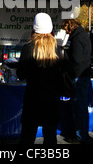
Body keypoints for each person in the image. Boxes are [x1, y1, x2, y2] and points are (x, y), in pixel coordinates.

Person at [17, 13, 68, 144]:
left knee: (27, 138)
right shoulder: (59, 50)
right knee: (51, 138)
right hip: (52, 102)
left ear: (33, 30)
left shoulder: (28, 48)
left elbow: (20, 74)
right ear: (51, 30)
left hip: (32, 102)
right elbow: (68, 71)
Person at [61, 18, 92, 143]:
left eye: (66, 29)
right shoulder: (83, 35)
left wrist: (66, 66)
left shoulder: (77, 38)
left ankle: (80, 136)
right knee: (82, 108)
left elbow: (77, 59)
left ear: (70, 27)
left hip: (78, 75)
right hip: (84, 74)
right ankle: (83, 134)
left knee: (78, 107)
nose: (66, 32)